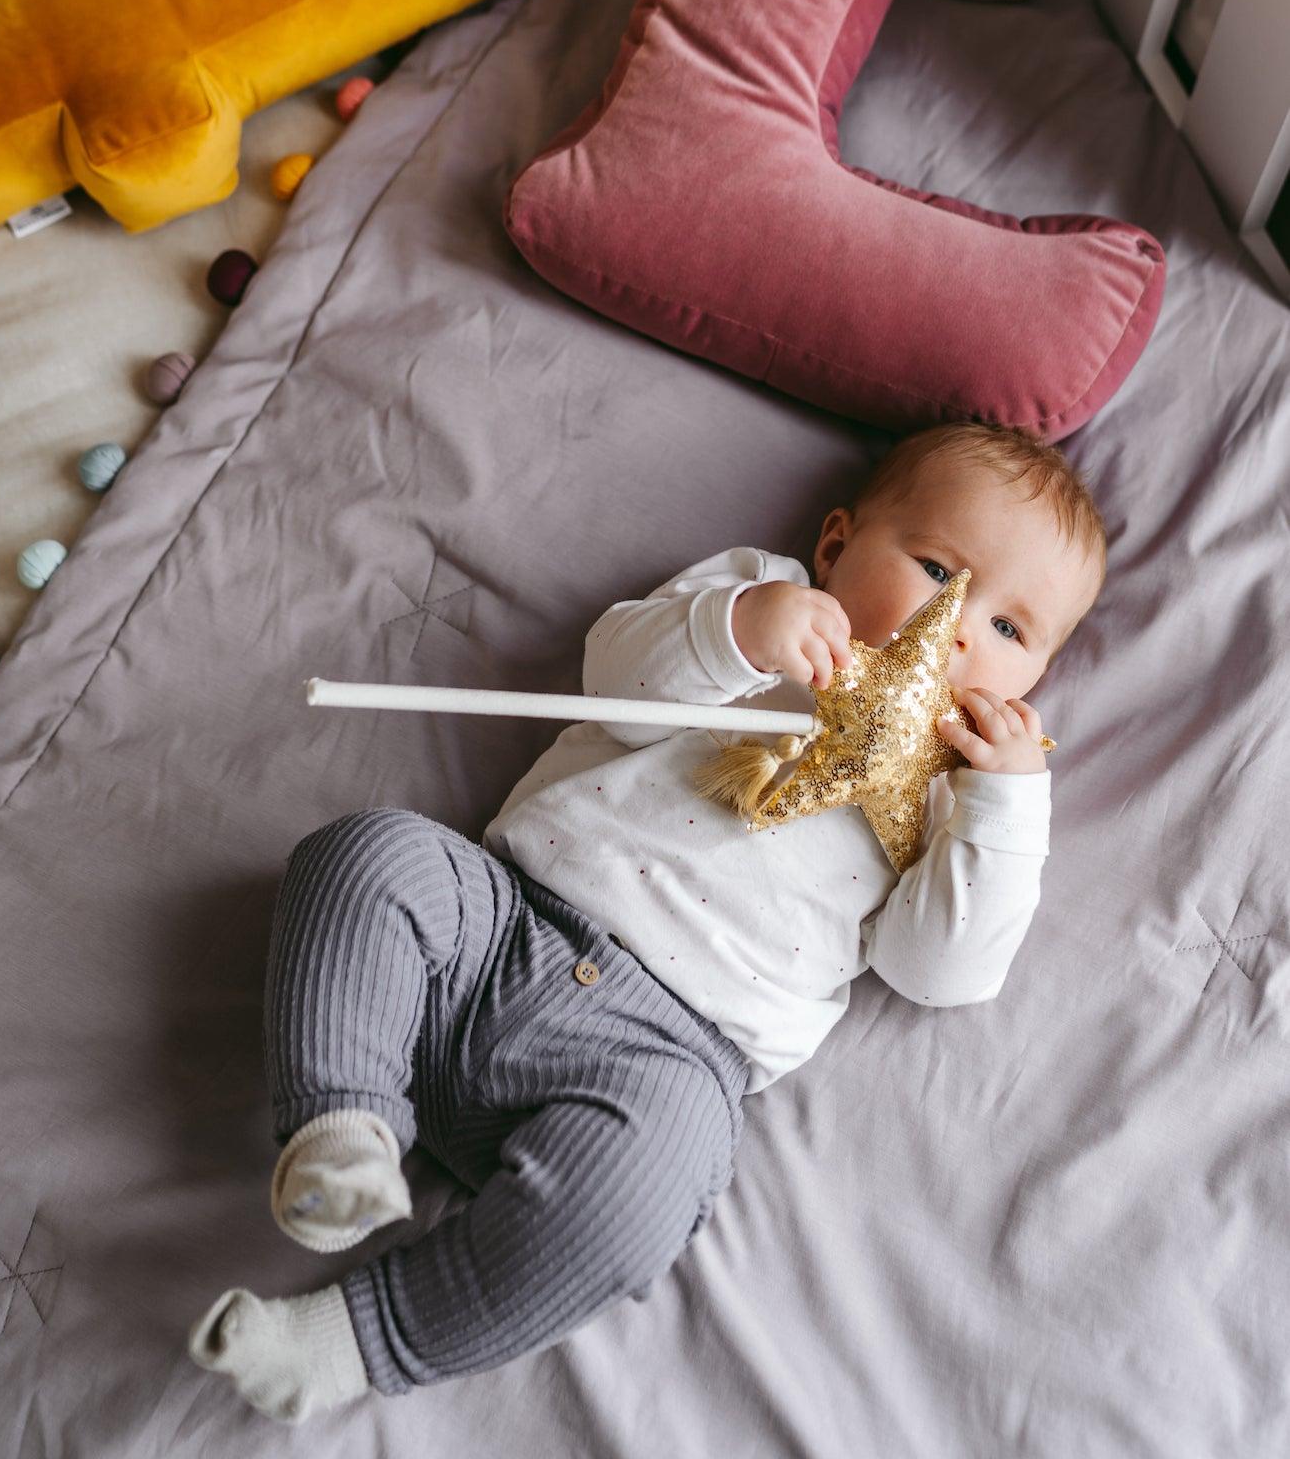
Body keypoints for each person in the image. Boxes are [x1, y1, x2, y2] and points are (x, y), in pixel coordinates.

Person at [189, 420, 1108, 1422]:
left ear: (1036, 679)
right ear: (838, 543)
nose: (962, 628)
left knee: (637, 1207)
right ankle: (340, 1125)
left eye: (1013, 632)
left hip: (668, 1060)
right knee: (372, 854)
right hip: (505, 921)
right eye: (938, 568)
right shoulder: (763, 599)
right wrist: (741, 628)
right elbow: (614, 685)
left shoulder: (956, 793)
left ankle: (360, 1336)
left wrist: (1006, 804)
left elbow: (939, 969)